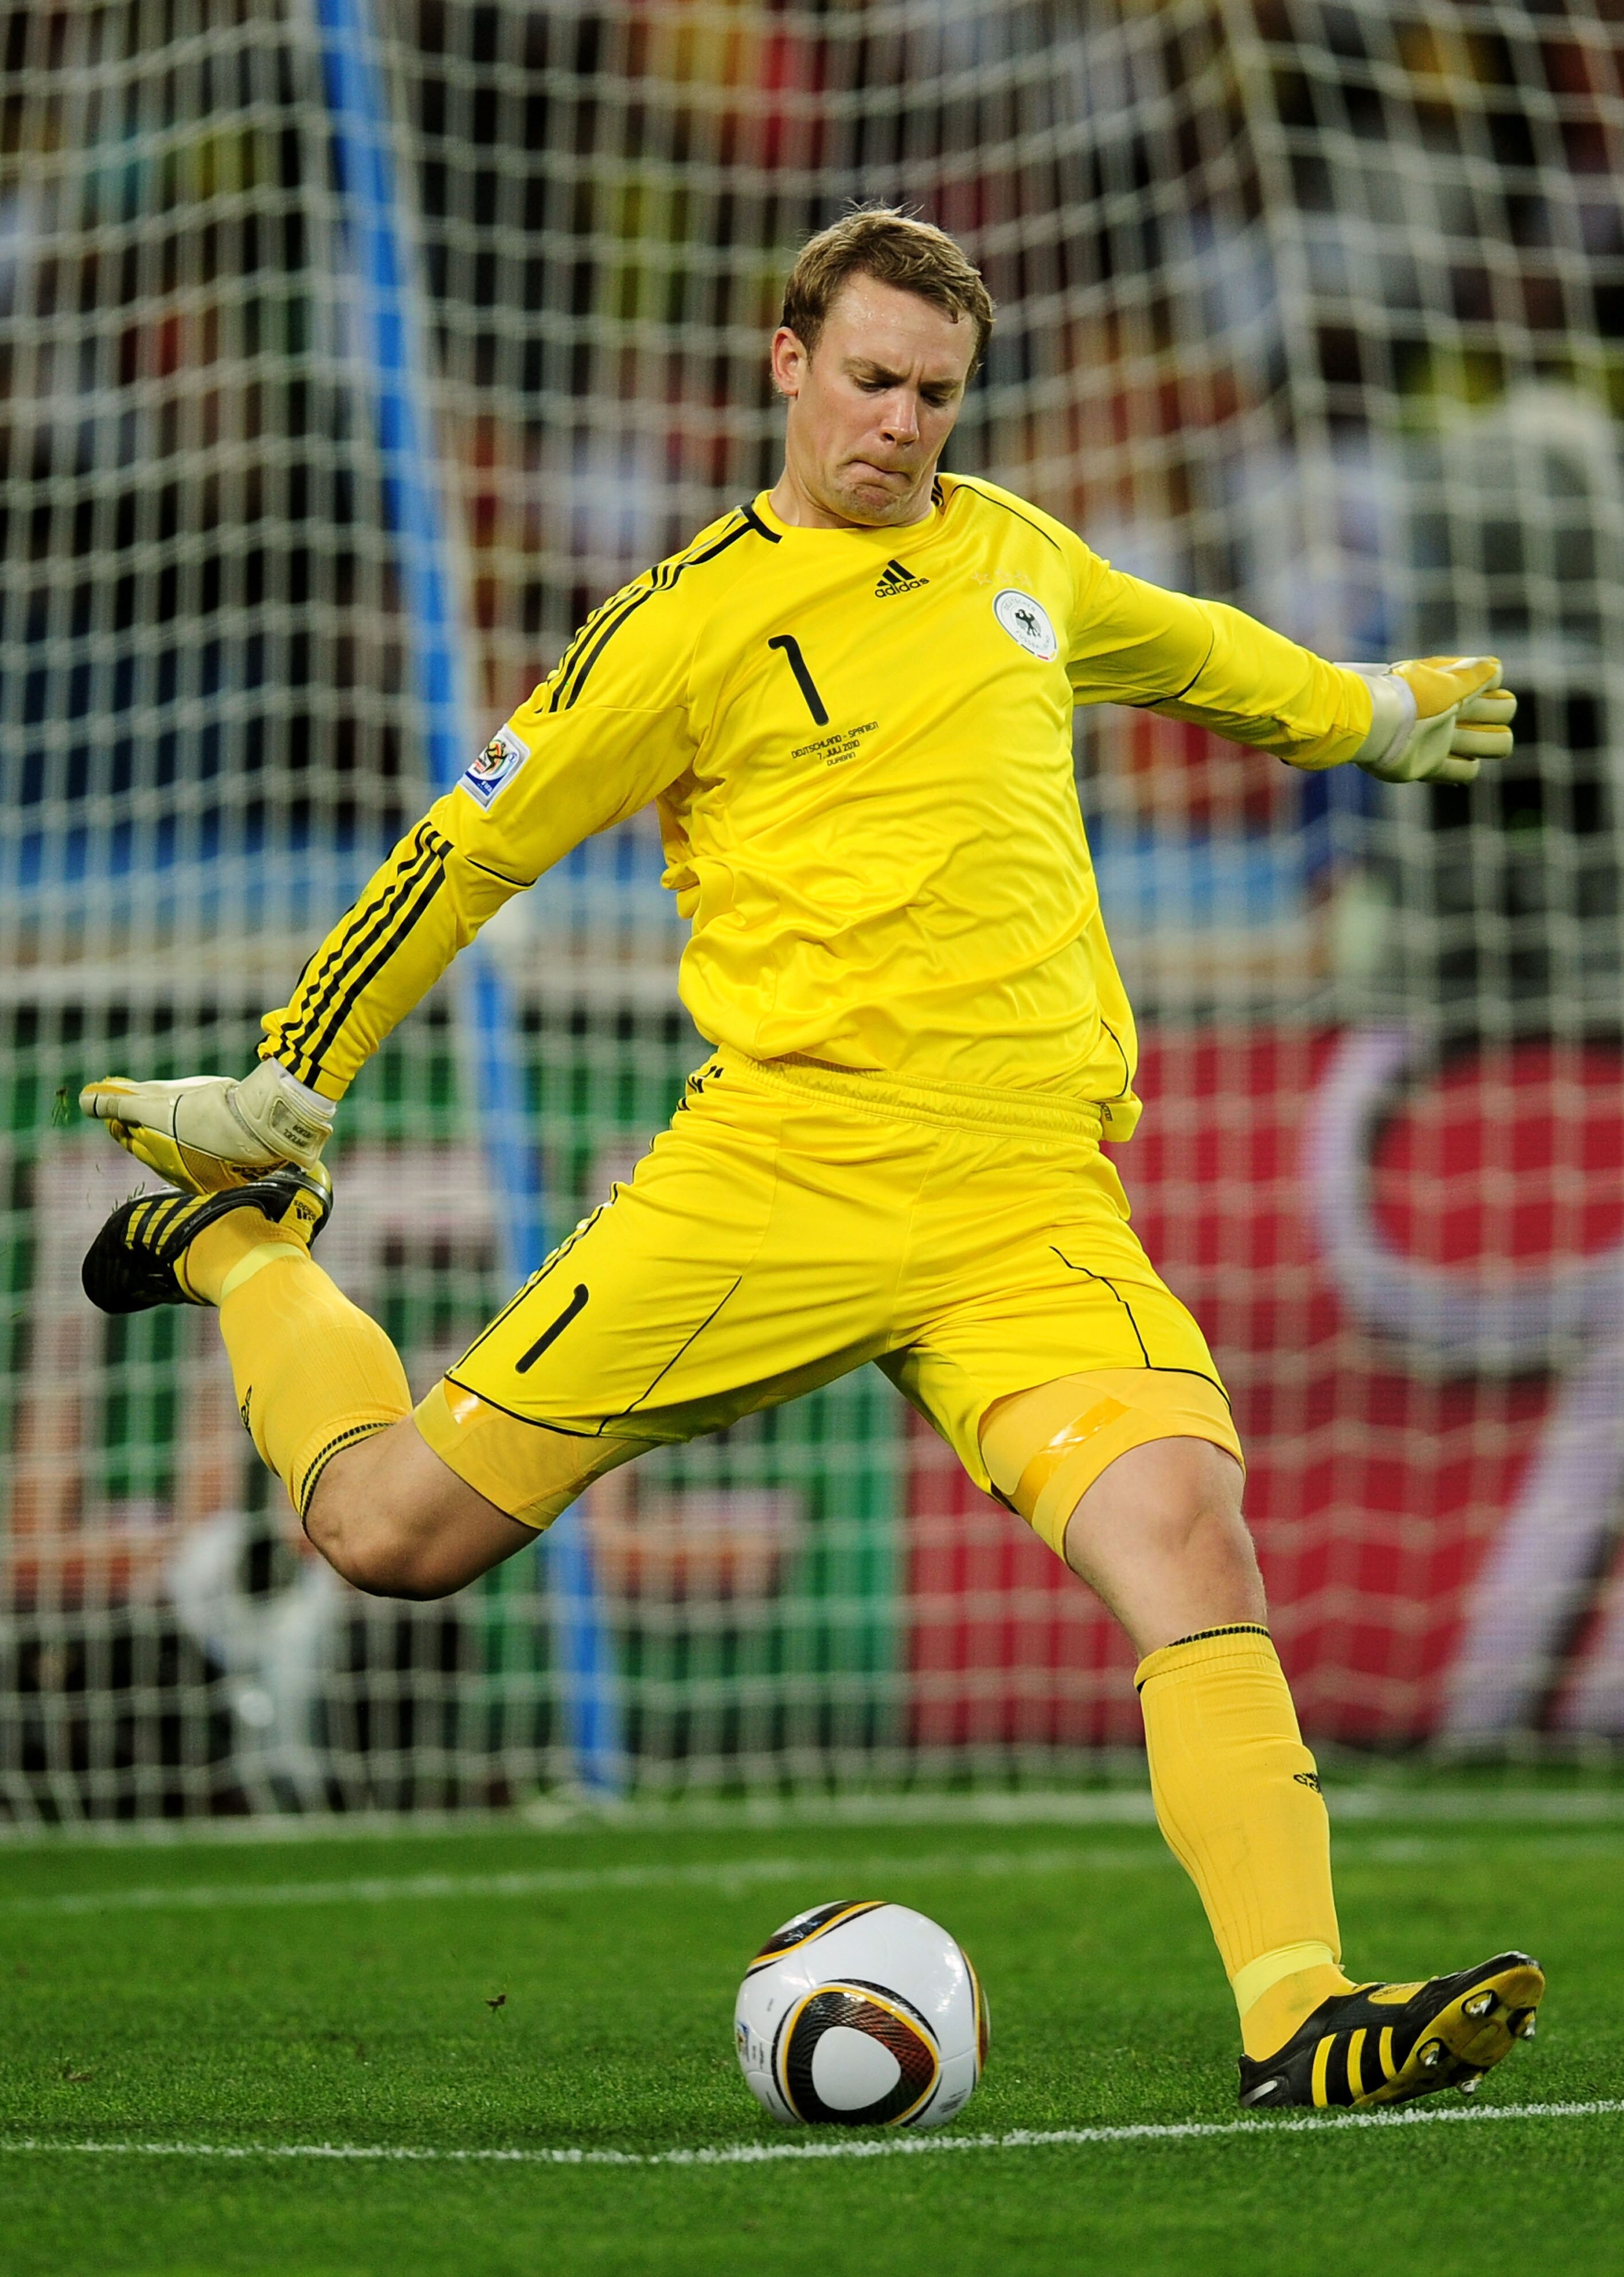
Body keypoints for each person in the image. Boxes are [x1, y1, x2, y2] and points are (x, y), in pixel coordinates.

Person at [79, 209, 1540, 2111]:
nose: (900, 427)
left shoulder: (1021, 557)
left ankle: (1300, 2010)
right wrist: (300, 1065)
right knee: (385, 1534)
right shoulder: (688, 617)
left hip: (1027, 1194)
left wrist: (1379, 710)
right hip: (781, 1169)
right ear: (789, 362)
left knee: (1189, 1529)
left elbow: (1202, 657)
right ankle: (246, 1249)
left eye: (935, 393)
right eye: (869, 381)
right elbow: (473, 847)